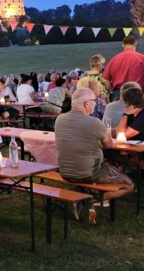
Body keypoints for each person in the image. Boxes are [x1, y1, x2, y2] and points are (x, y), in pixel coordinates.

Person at [55, 88, 134, 222]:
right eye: (94, 102)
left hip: (65, 171)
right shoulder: (94, 122)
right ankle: (88, 201)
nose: (95, 105)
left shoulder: (59, 119)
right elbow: (109, 145)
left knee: (85, 166)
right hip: (90, 172)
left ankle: (82, 198)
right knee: (129, 185)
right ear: (86, 104)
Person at [102, 35, 144, 100]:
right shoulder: (143, 58)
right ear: (135, 44)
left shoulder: (114, 59)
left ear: (123, 45)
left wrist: (111, 89)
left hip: (119, 93)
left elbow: (105, 80)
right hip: (138, 92)